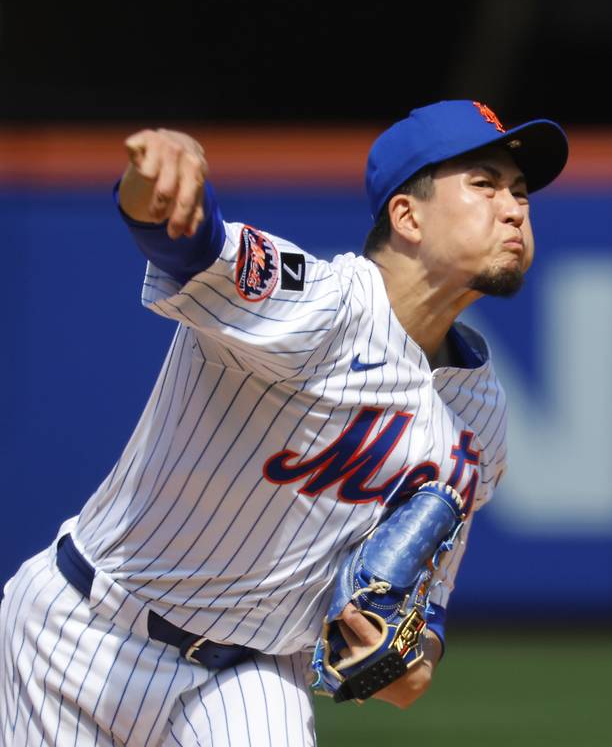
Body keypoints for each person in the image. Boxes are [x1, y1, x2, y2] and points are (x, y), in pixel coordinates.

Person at [0, 99, 568, 746]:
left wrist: (414, 658)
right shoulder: (319, 307)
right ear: (407, 216)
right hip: (81, 635)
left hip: (250, 675)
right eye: (485, 184)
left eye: (520, 192)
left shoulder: (481, 414)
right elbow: (188, 243)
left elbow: (425, 605)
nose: (514, 207)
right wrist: (156, 178)